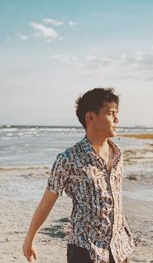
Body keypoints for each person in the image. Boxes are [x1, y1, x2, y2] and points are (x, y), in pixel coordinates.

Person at [22, 87, 135, 263]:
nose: (117, 119)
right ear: (90, 117)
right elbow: (46, 203)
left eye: (116, 113)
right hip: (85, 251)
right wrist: (29, 240)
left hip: (118, 248)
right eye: (111, 113)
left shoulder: (118, 154)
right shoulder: (68, 159)